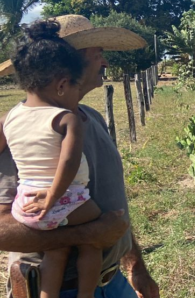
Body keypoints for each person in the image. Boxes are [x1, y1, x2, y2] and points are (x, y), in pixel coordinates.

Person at [0, 15, 159, 298]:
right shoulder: (27, 132)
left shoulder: (92, 118)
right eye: (98, 53)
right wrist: (87, 236)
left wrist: (136, 265)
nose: (106, 63)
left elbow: (111, 205)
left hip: (112, 281)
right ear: (69, 62)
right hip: (59, 288)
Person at [0, 20, 102, 298]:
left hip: (27, 205)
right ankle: (87, 294)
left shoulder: (9, 118)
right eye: (74, 86)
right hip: (61, 200)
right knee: (95, 238)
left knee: (56, 254)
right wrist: (53, 197)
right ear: (61, 85)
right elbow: (68, 164)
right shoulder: (66, 119)